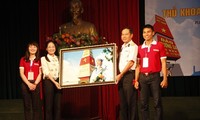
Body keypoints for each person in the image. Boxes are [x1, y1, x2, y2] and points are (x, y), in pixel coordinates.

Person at [134, 24, 168, 120]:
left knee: (157, 102)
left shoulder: (159, 45)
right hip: (142, 78)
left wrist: (165, 78)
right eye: (144, 32)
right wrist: (136, 80)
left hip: (155, 77)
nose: (146, 34)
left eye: (148, 32)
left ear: (153, 33)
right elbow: (138, 65)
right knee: (143, 104)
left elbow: (164, 63)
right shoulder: (139, 48)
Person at [116, 27, 139, 120]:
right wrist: (115, 52)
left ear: (131, 35)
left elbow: (131, 63)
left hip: (129, 75)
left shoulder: (134, 46)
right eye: (122, 34)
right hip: (121, 76)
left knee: (131, 102)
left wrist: (120, 75)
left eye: (126, 34)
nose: (124, 36)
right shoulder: (122, 46)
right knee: (123, 103)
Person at [19, 41, 42, 120]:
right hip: (25, 84)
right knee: (27, 106)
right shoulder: (23, 59)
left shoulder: (40, 60)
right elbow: (21, 73)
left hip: (36, 83)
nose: (32, 48)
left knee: (36, 106)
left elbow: (40, 74)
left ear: (37, 49)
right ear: (28, 48)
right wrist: (28, 84)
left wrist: (35, 84)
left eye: (34, 47)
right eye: (31, 47)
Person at [41, 40, 62, 120]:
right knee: (49, 106)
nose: (51, 48)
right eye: (49, 47)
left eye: (53, 46)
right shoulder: (43, 58)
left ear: (55, 48)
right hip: (49, 81)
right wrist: (54, 82)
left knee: (58, 106)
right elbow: (45, 72)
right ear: (46, 49)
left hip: (58, 81)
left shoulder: (59, 58)